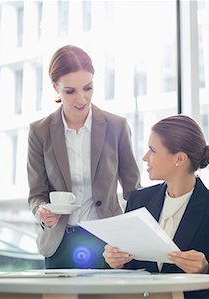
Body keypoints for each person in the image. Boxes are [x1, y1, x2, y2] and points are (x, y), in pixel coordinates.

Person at [27, 45, 141, 269]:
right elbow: (36, 194)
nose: (82, 98)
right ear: (55, 87)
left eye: (88, 88)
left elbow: (133, 190)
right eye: (70, 91)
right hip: (59, 242)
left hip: (109, 244)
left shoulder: (116, 126)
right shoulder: (39, 131)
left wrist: (136, 237)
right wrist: (41, 211)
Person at [103, 115, 209, 298]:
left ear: (180, 159)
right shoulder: (138, 201)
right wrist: (115, 262)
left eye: (152, 150)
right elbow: (129, 274)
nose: (145, 157)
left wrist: (205, 270)